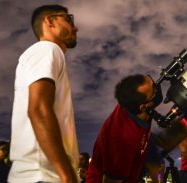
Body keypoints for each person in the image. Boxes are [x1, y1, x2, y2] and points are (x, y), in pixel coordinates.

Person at [8, 4, 80, 183]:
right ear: (50, 21)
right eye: (68, 18)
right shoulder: (47, 49)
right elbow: (39, 109)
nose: (75, 27)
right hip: (42, 176)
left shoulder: (46, 52)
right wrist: (66, 176)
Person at [87, 74, 162, 183]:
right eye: (154, 91)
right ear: (143, 107)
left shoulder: (131, 104)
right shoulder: (122, 141)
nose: (158, 88)